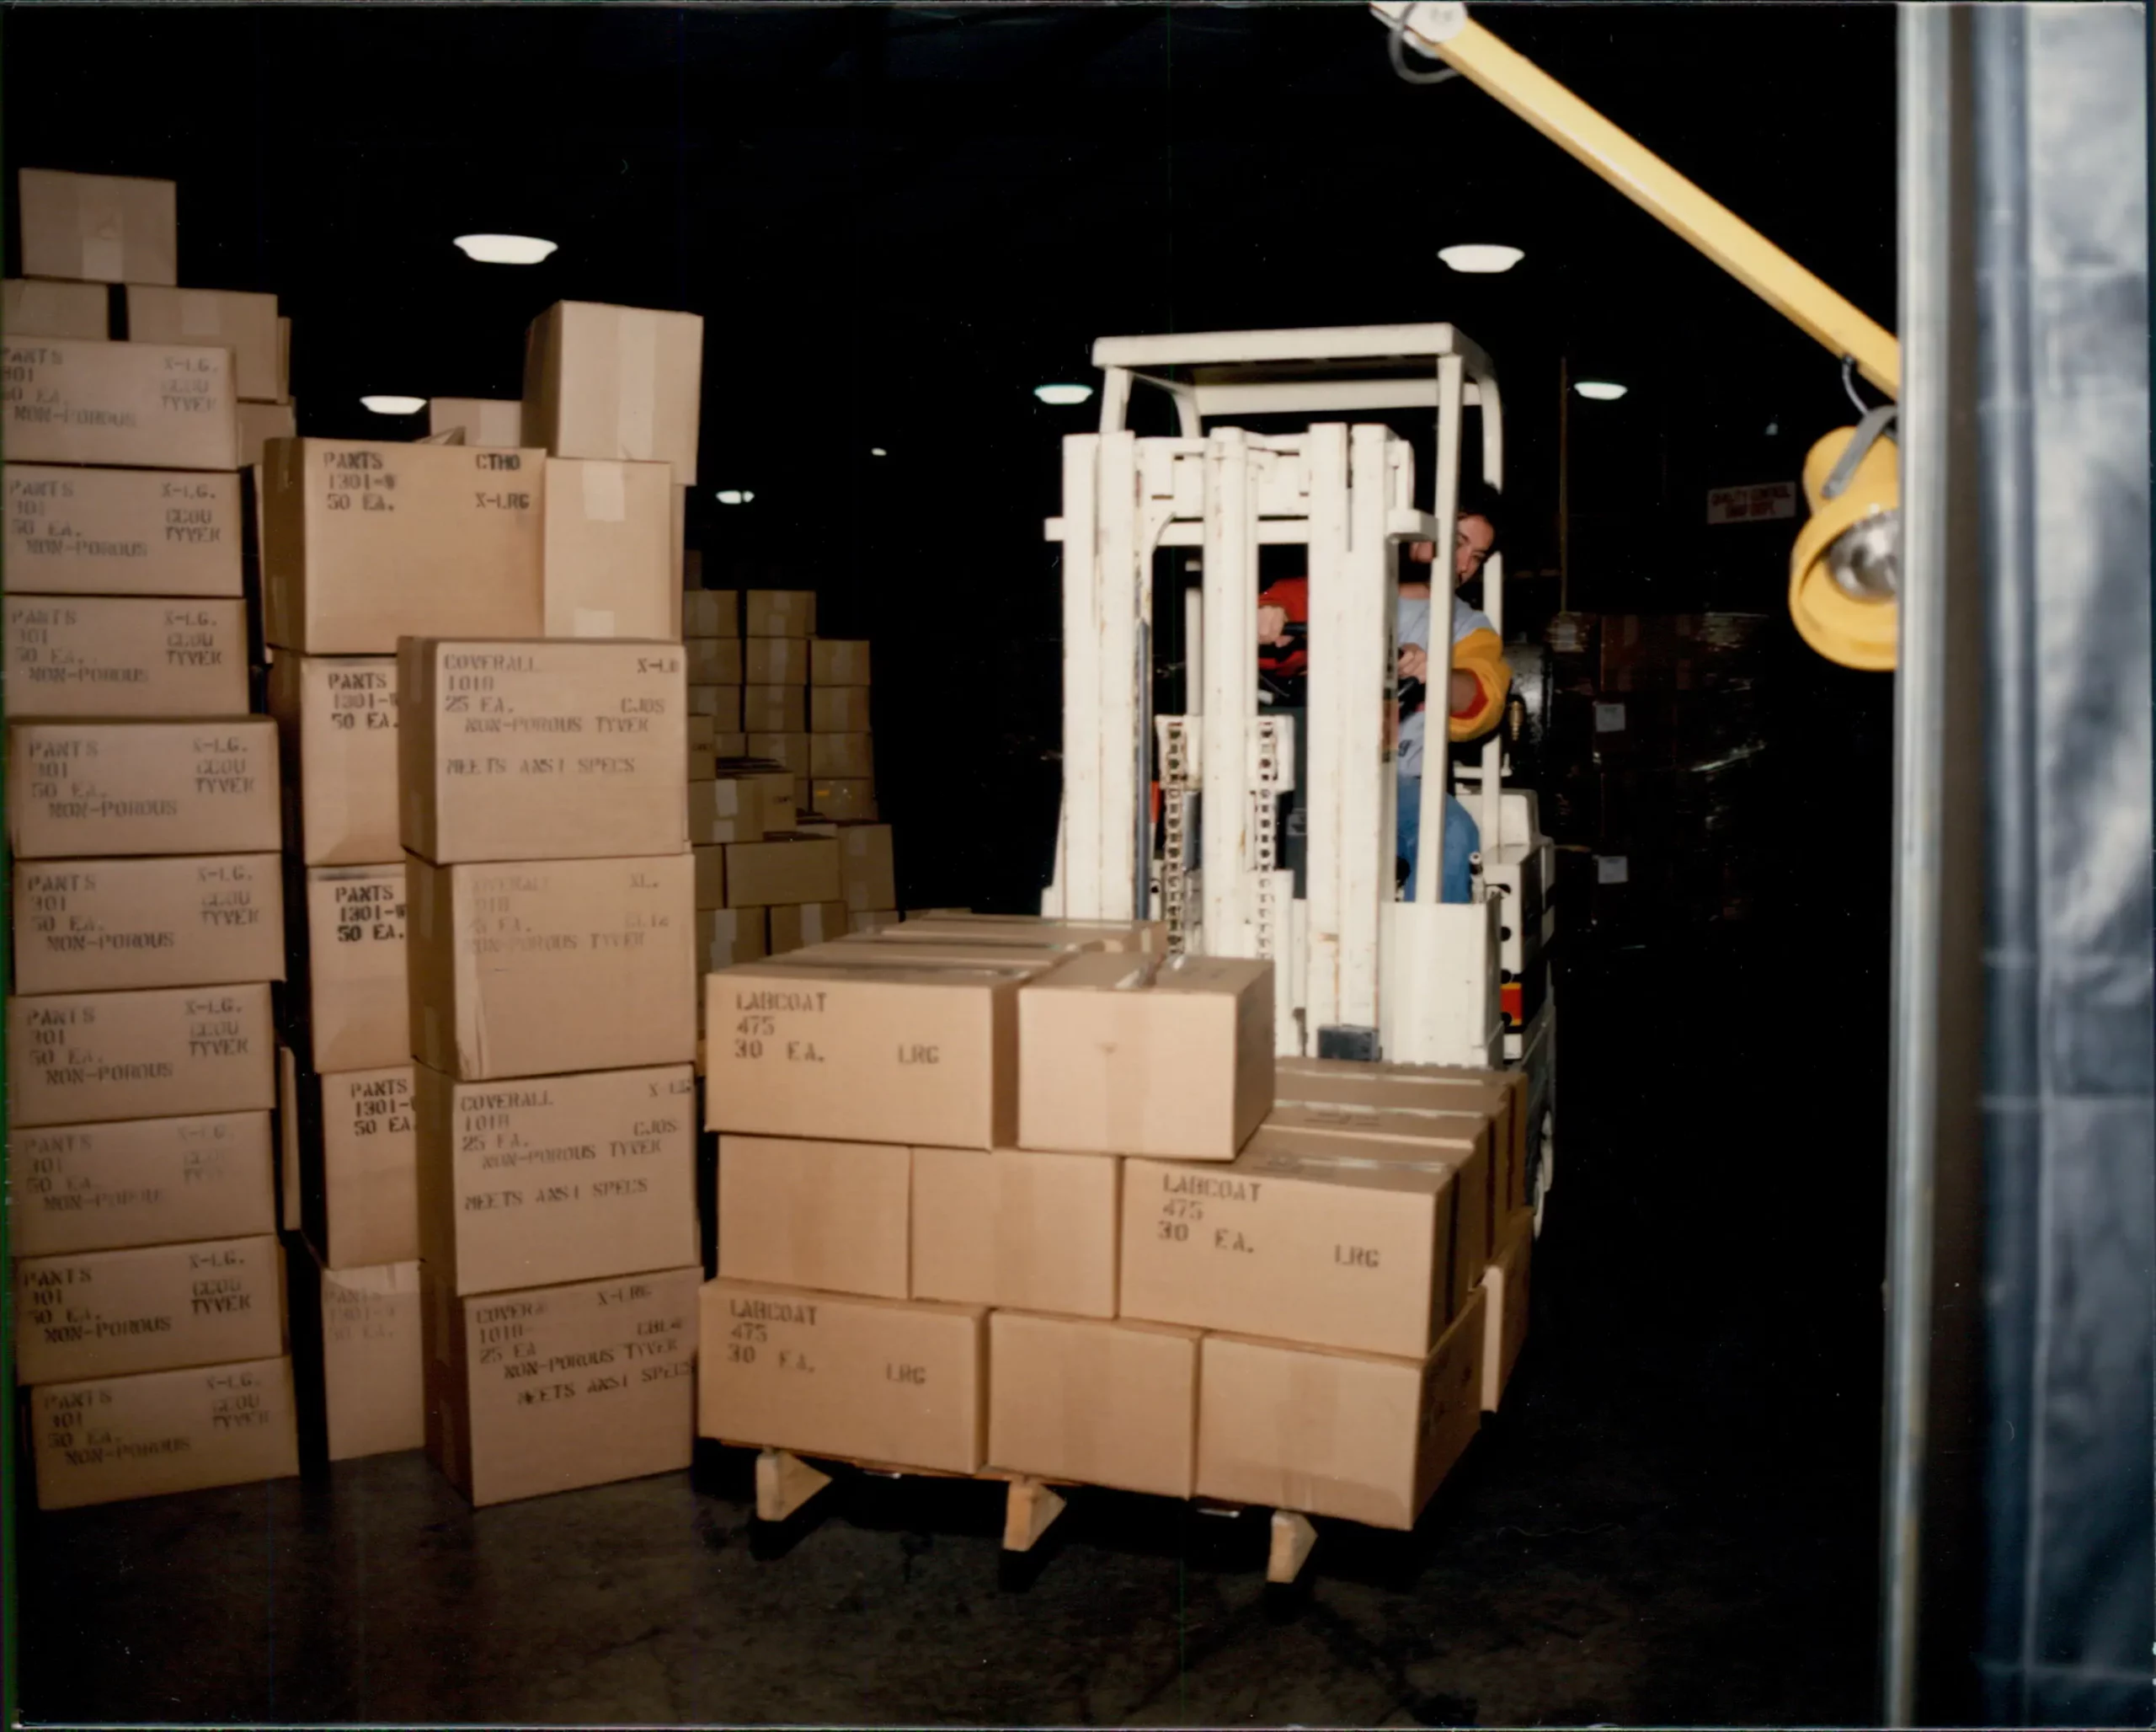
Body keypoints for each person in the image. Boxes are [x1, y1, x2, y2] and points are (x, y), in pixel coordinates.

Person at [1257, 482, 1510, 901]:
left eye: (1476, 556)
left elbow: (1483, 697)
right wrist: (1265, 620)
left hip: (1388, 783)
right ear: (1415, 530)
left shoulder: (1468, 627)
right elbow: (1260, 621)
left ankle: (1426, 963)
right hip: (1289, 773)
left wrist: (1438, 673)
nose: (1463, 564)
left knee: (1450, 832)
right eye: (1457, 543)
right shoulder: (1328, 588)